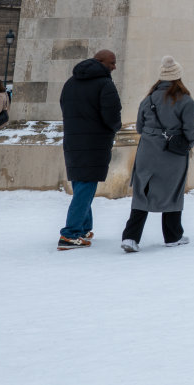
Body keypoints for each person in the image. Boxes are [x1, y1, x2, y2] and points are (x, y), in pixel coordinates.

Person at [120, 56, 194, 251]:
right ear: (179, 77)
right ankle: (172, 235)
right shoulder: (185, 101)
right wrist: (187, 145)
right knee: (173, 191)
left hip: (147, 150)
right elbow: (191, 129)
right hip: (172, 153)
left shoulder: (148, 99)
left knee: (142, 192)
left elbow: (140, 127)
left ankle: (130, 237)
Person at [57, 50, 122, 250]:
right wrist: (115, 128)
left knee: (81, 183)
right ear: (100, 61)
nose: (114, 67)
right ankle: (70, 233)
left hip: (73, 140)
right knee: (86, 186)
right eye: (112, 62)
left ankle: (84, 228)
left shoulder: (70, 82)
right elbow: (112, 114)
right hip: (95, 141)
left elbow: (64, 107)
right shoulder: (105, 84)